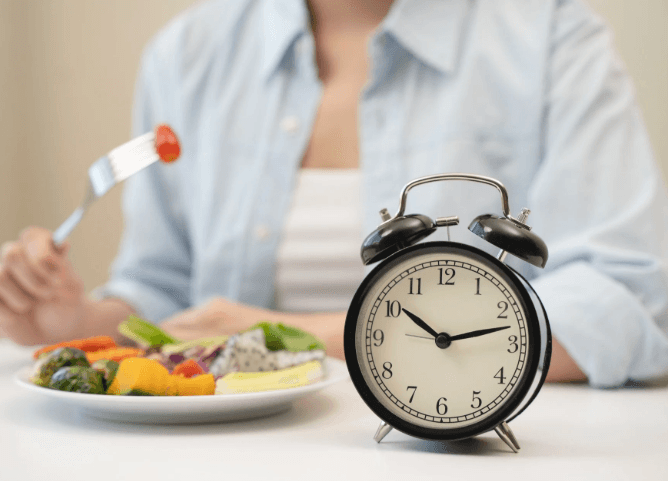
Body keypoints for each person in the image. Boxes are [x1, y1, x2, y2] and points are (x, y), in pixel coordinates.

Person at [1, 0, 667, 387]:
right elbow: (168, 299)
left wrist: (291, 337)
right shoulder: (186, 54)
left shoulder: (549, 35)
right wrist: (75, 322)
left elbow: (623, 301)